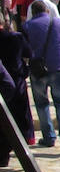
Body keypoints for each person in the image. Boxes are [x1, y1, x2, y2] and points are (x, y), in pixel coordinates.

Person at [22, 1, 60, 153]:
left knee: (41, 104)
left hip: (37, 69)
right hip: (59, 67)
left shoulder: (27, 27)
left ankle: (48, 137)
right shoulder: (59, 22)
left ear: (32, 12)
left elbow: (25, 52)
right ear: (47, 10)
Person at [0, 16, 34, 157]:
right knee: (21, 116)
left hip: (2, 82)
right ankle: (23, 147)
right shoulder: (16, 38)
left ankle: (3, 153)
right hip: (17, 79)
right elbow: (29, 53)